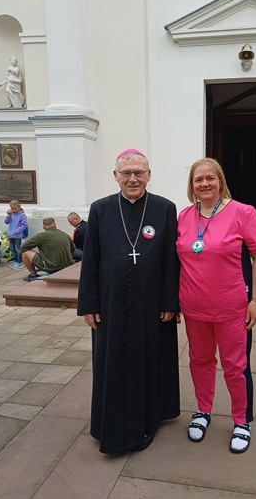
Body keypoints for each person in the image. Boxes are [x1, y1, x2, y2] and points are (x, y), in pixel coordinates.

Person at [77, 148, 180, 454]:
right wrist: (89, 305)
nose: (132, 179)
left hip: (151, 303)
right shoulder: (100, 209)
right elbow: (90, 260)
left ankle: (150, 417)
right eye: (126, 173)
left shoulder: (165, 208)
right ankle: (110, 423)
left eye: (139, 173)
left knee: (150, 357)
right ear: (115, 176)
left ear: (149, 175)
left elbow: (171, 260)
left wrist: (170, 302)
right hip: (110, 304)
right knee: (112, 360)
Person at [176, 158, 256, 454]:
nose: (204, 184)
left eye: (210, 178)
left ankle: (241, 421)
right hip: (194, 307)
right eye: (198, 179)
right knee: (200, 360)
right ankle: (203, 411)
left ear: (220, 181)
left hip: (232, 308)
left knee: (235, 366)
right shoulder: (184, 216)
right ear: (192, 185)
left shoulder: (243, 212)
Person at [21, 217, 75, 282]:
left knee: (25, 253)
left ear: (43, 227)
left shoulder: (41, 236)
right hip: (67, 266)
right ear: (55, 225)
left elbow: (23, 247)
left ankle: (33, 275)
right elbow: (73, 249)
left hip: (51, 267)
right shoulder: (65, 235)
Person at [4, 200, 28, 269]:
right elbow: (6, 222)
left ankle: (19, 262)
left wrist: (17, 231)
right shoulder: (11, 215)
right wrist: (8, 215)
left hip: (17, 235)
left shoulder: (22, 215)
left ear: (19, 208)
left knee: (18, 249)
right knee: (12, 248)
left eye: (15, 209)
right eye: (12, 209)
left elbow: (24, 225)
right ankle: (16, 260)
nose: (13, 210)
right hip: (11, 235)